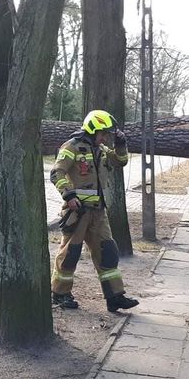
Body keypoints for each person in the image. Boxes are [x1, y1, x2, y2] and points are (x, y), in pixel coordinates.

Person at [50, 109, 139, 312]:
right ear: (92, 130)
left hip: (98, 213)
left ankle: (115, 296)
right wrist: (69, 195)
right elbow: (57, 172)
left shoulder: (102, 150)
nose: (105, 137)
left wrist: (120, 144)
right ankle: (60, 294)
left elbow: (120, 161)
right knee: (70, 254)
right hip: (78, 213)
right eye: (103, 133)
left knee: (108, 253)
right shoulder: (72, 147)